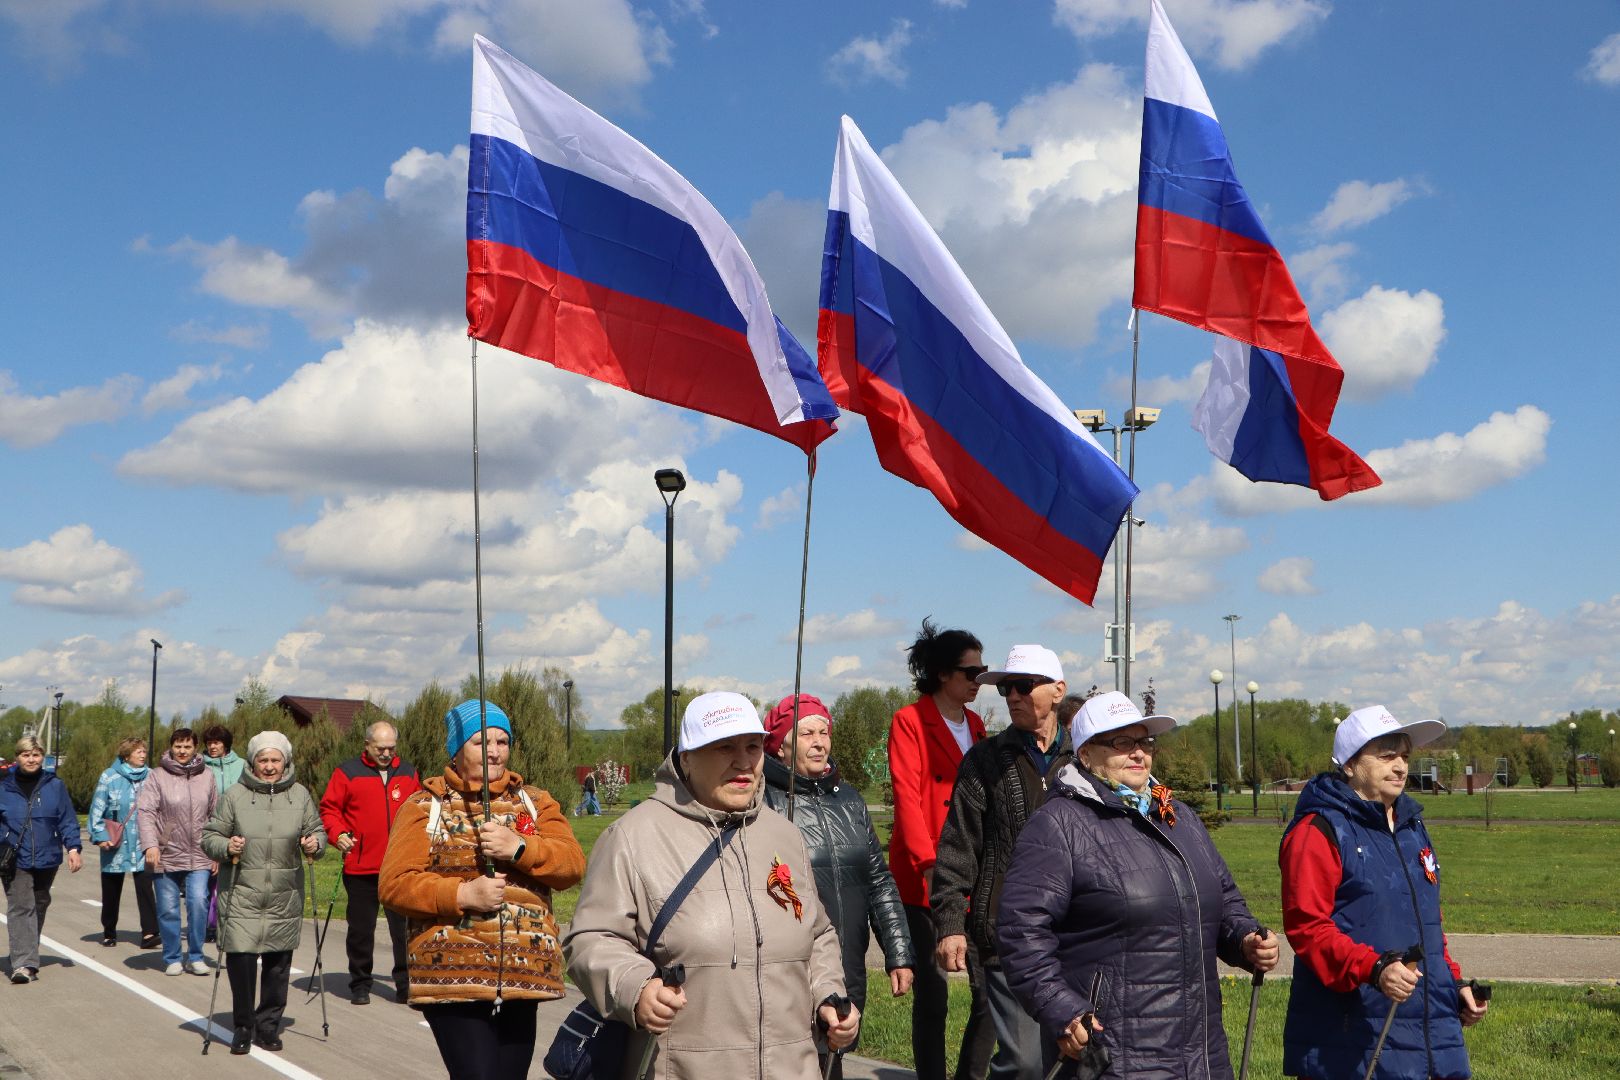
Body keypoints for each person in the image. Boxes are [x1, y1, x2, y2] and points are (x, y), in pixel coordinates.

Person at [566, 691, 856, 1080]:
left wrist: (827, 996)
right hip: (683, 1068)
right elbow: (591, 939)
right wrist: (636, 989)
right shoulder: (632, 837)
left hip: (793, 1067)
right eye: (724, 747)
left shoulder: (785, 835)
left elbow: (818, 934)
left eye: (752, 746)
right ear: (686, 757)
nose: (743, 761)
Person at [997, 690, 1278, 1079]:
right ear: (1086, 754)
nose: (1138, 753)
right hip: (1116, 1054)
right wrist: (1062, 1010)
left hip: (1202, 1054)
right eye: (1122, 742)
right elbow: (1020, 932)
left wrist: (1245, 939)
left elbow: (1223, 898)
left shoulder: (1179, 817)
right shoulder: (1058, 824)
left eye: (1145, 742)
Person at [378, 700, 585, 1080]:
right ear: (456, 750)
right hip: (452, 977)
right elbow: (395, 884)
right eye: (481, 742)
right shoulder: (424, 806)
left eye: (502, 741)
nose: (494, 751)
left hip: (524, 977)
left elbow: (571, 865)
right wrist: (462, 896)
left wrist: (519, 847)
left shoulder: (535, 803)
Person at [1279, 706, 1487, 1080]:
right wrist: (1374, 969)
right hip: (1352, 1039)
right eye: (1387, 755)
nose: (1400, 767)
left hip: (1429, 1035)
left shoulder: (1411, 826)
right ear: (1349, 764)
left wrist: (1453, 985)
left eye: (1405, 756)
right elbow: (1307, 929)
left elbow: (1427, 925)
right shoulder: (1318, 830)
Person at [932, 644, 1076, 1080]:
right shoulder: (984, 760)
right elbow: (958, 846)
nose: (1012, 695)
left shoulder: (1084, 759)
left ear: (1057, 691)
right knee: (1024, 1063)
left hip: (1077, 933)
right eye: (1005, 688)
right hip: (1006, 936)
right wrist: (950, 924)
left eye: (1023, 686)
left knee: (1075, 1057)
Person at [762, 693, 915, 1080]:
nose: (819, 742)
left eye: (824, 732)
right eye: (806, 734)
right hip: (788, 969)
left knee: (832, 1060)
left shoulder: (850, 800)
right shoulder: (763, 802)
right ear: (779, 746)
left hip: (846, 963)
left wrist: (898, 952)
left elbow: (878, 880)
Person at [889, 619, 993, 1080]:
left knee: (990, 993)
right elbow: (907, 798)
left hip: (972, 873)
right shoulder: (909, 721)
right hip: (923, 875)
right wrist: (930, 867)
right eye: (972, 672)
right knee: (933, 995)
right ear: (942, 673)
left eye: (982, 671)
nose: (979, 680)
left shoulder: (977, 725)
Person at [201, 731, 326, 1054]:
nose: (269, 766)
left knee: (277, 966)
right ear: (252, 762)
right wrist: (227, 846)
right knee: (241, 961)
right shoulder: (235, 796)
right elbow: (210, 837)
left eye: (275, 760)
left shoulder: (299, 795)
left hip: (284, 895)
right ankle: (243, 1026)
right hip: (242, 893)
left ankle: (268, 1026)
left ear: (286, 762)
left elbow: (316, 831)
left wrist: (315, 843)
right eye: (263, 760)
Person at [319, 719, 420, 1005]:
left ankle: (405, 985)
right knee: (361, 930)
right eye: (380, 749)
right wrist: (338, 834)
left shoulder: (408, 773)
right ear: (367, 745)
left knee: (403, 931)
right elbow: (329, 810)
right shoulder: (347, 772)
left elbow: (419, 811)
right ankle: (360, 983)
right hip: (361, 866)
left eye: (391, 748)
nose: (387, 754)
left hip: (399, 867)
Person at [135, 726, 218, 977]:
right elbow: (146, 812)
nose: (182, 751)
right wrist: (150, 845)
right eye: (178, 746)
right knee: (168, 908)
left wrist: (216, 851)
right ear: (171, 747)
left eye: (187, 746)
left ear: (195, 748)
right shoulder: (157, 776)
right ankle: (172, 956)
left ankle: (195, 956)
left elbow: (216, 814)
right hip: (166, 851)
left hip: (200, 852)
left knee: (198, 902)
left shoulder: (207, 775)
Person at [0, 736, 83, 983]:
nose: (31, 759)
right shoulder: (3, 786)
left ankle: (25, 950)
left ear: (42, 757)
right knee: (21, 906)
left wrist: (73, 848)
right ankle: (23, 964)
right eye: (26, 755)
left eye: (36, 755)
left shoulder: (54, 785)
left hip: (48, 856)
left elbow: (67, 818)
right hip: (14, 856)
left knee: (39, 903)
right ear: (17, 757)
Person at [88, 736, 160, 949]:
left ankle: (149, 932)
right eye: (138, 751)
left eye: (144, 751)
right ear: (126, 755)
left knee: (145, 885)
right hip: (116, 841)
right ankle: (109, 931)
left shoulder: (152, 776)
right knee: (111, 887)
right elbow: (97, 808)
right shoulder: (109, 776)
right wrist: (100, 837)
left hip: (143, 841)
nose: (143, 755)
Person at [201, 725, 246, 796]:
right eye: (209, 743)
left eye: (216, 743)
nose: (212, 746)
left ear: (225, 745)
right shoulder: (201, 766)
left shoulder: (242, 764)